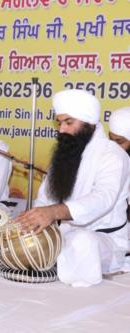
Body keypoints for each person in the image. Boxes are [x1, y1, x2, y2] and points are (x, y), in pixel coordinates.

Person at [16, 89, 129, 287]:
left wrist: (54, 212)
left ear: (89, 123)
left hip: (104, 240)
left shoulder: (113, 155)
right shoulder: (66, 152)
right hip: (63, 233)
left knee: (82, 241)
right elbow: (45, 197)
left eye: (68, 122)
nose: (61, 129)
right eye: (60, 122)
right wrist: (35, 219)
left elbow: (103, 198)